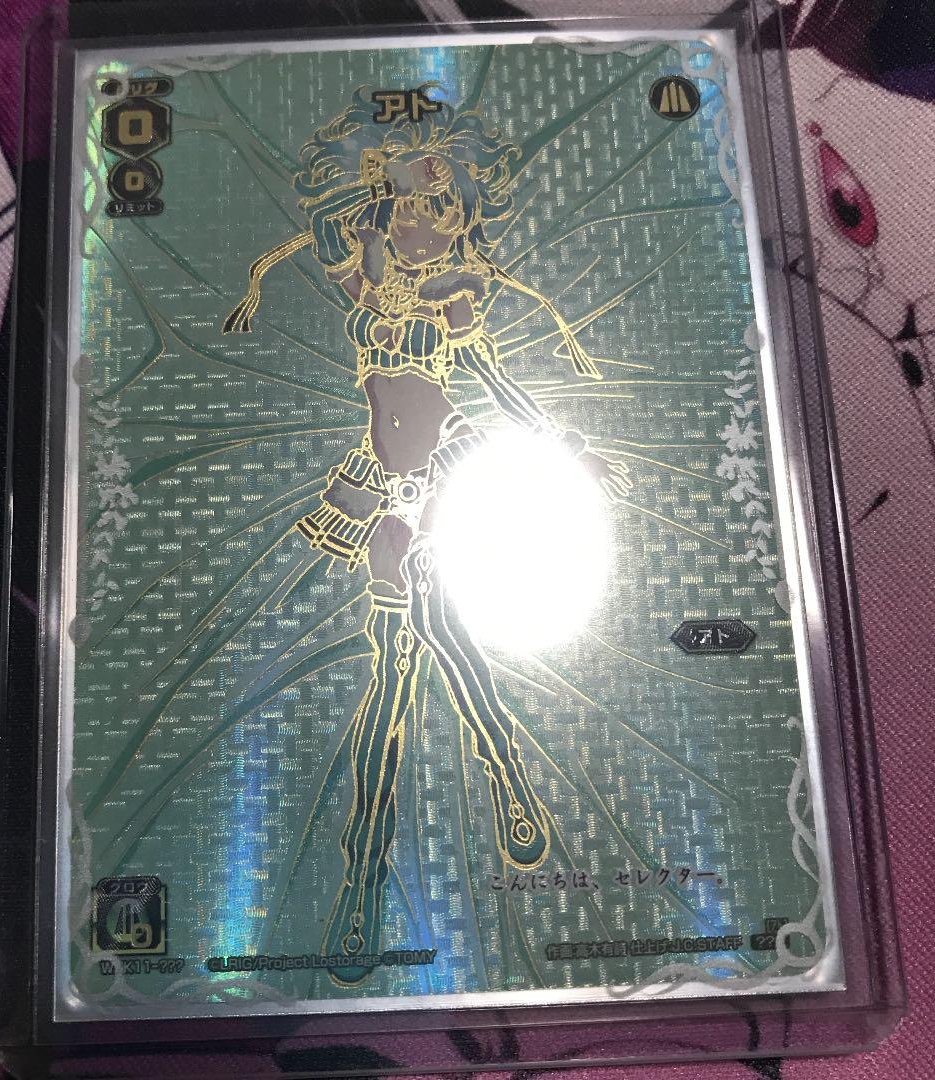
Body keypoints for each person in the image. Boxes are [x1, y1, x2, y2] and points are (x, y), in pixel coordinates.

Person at [224, 90, 631, 984]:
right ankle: (369, 875)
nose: (436, 220)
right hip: (381, 488)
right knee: (393, 676)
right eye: (421, 203)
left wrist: (568, 452)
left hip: (452, 465)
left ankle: (493, 779)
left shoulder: (455, 298)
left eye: (448, 206)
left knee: (437, 631)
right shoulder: (366, 284)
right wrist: (372, 188)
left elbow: (494, 377)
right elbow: (328, 232)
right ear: (390, 209)